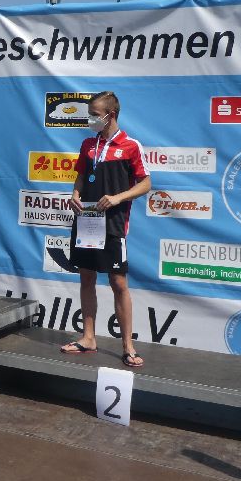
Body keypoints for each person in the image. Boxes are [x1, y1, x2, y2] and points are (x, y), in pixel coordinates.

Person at [60, 91, 151, 367]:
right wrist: (75, 194)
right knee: (86, 277)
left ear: (110, 115)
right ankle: (88, 338)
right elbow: (80, 176)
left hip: (113, 224)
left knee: (118, 282)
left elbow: (145, 184)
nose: (90, 119)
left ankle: (128, 346)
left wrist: (118, 198)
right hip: (87, 220)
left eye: (94, 115)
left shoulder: (131, 145)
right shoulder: (88, 144)